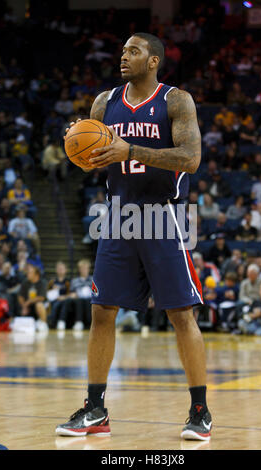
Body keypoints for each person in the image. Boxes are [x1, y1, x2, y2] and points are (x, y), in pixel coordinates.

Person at [56, 32, 211, 441]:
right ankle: (95, 409)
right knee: (101, 311)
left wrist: (131, 150)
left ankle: (200, 411)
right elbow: (94, 160)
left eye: (134, 51)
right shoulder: (104, 102)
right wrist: (81, 150)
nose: (124, 56)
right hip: (118, 218)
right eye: (123, 50)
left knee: (180, 315)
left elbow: (190, 159)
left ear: (154, 60)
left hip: (164, 216)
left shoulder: (176, 100)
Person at [18, 263, 48, 332]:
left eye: (30, 273)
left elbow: (41, 297)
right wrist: (24, 306)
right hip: (28, 307)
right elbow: (20, 296)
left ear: (36, 274)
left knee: (39, 304)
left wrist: (28, 302)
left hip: (41, 307)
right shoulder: (25, 282)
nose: (27, 274)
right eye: (27, 272)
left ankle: (44, 324)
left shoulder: (42, 282)